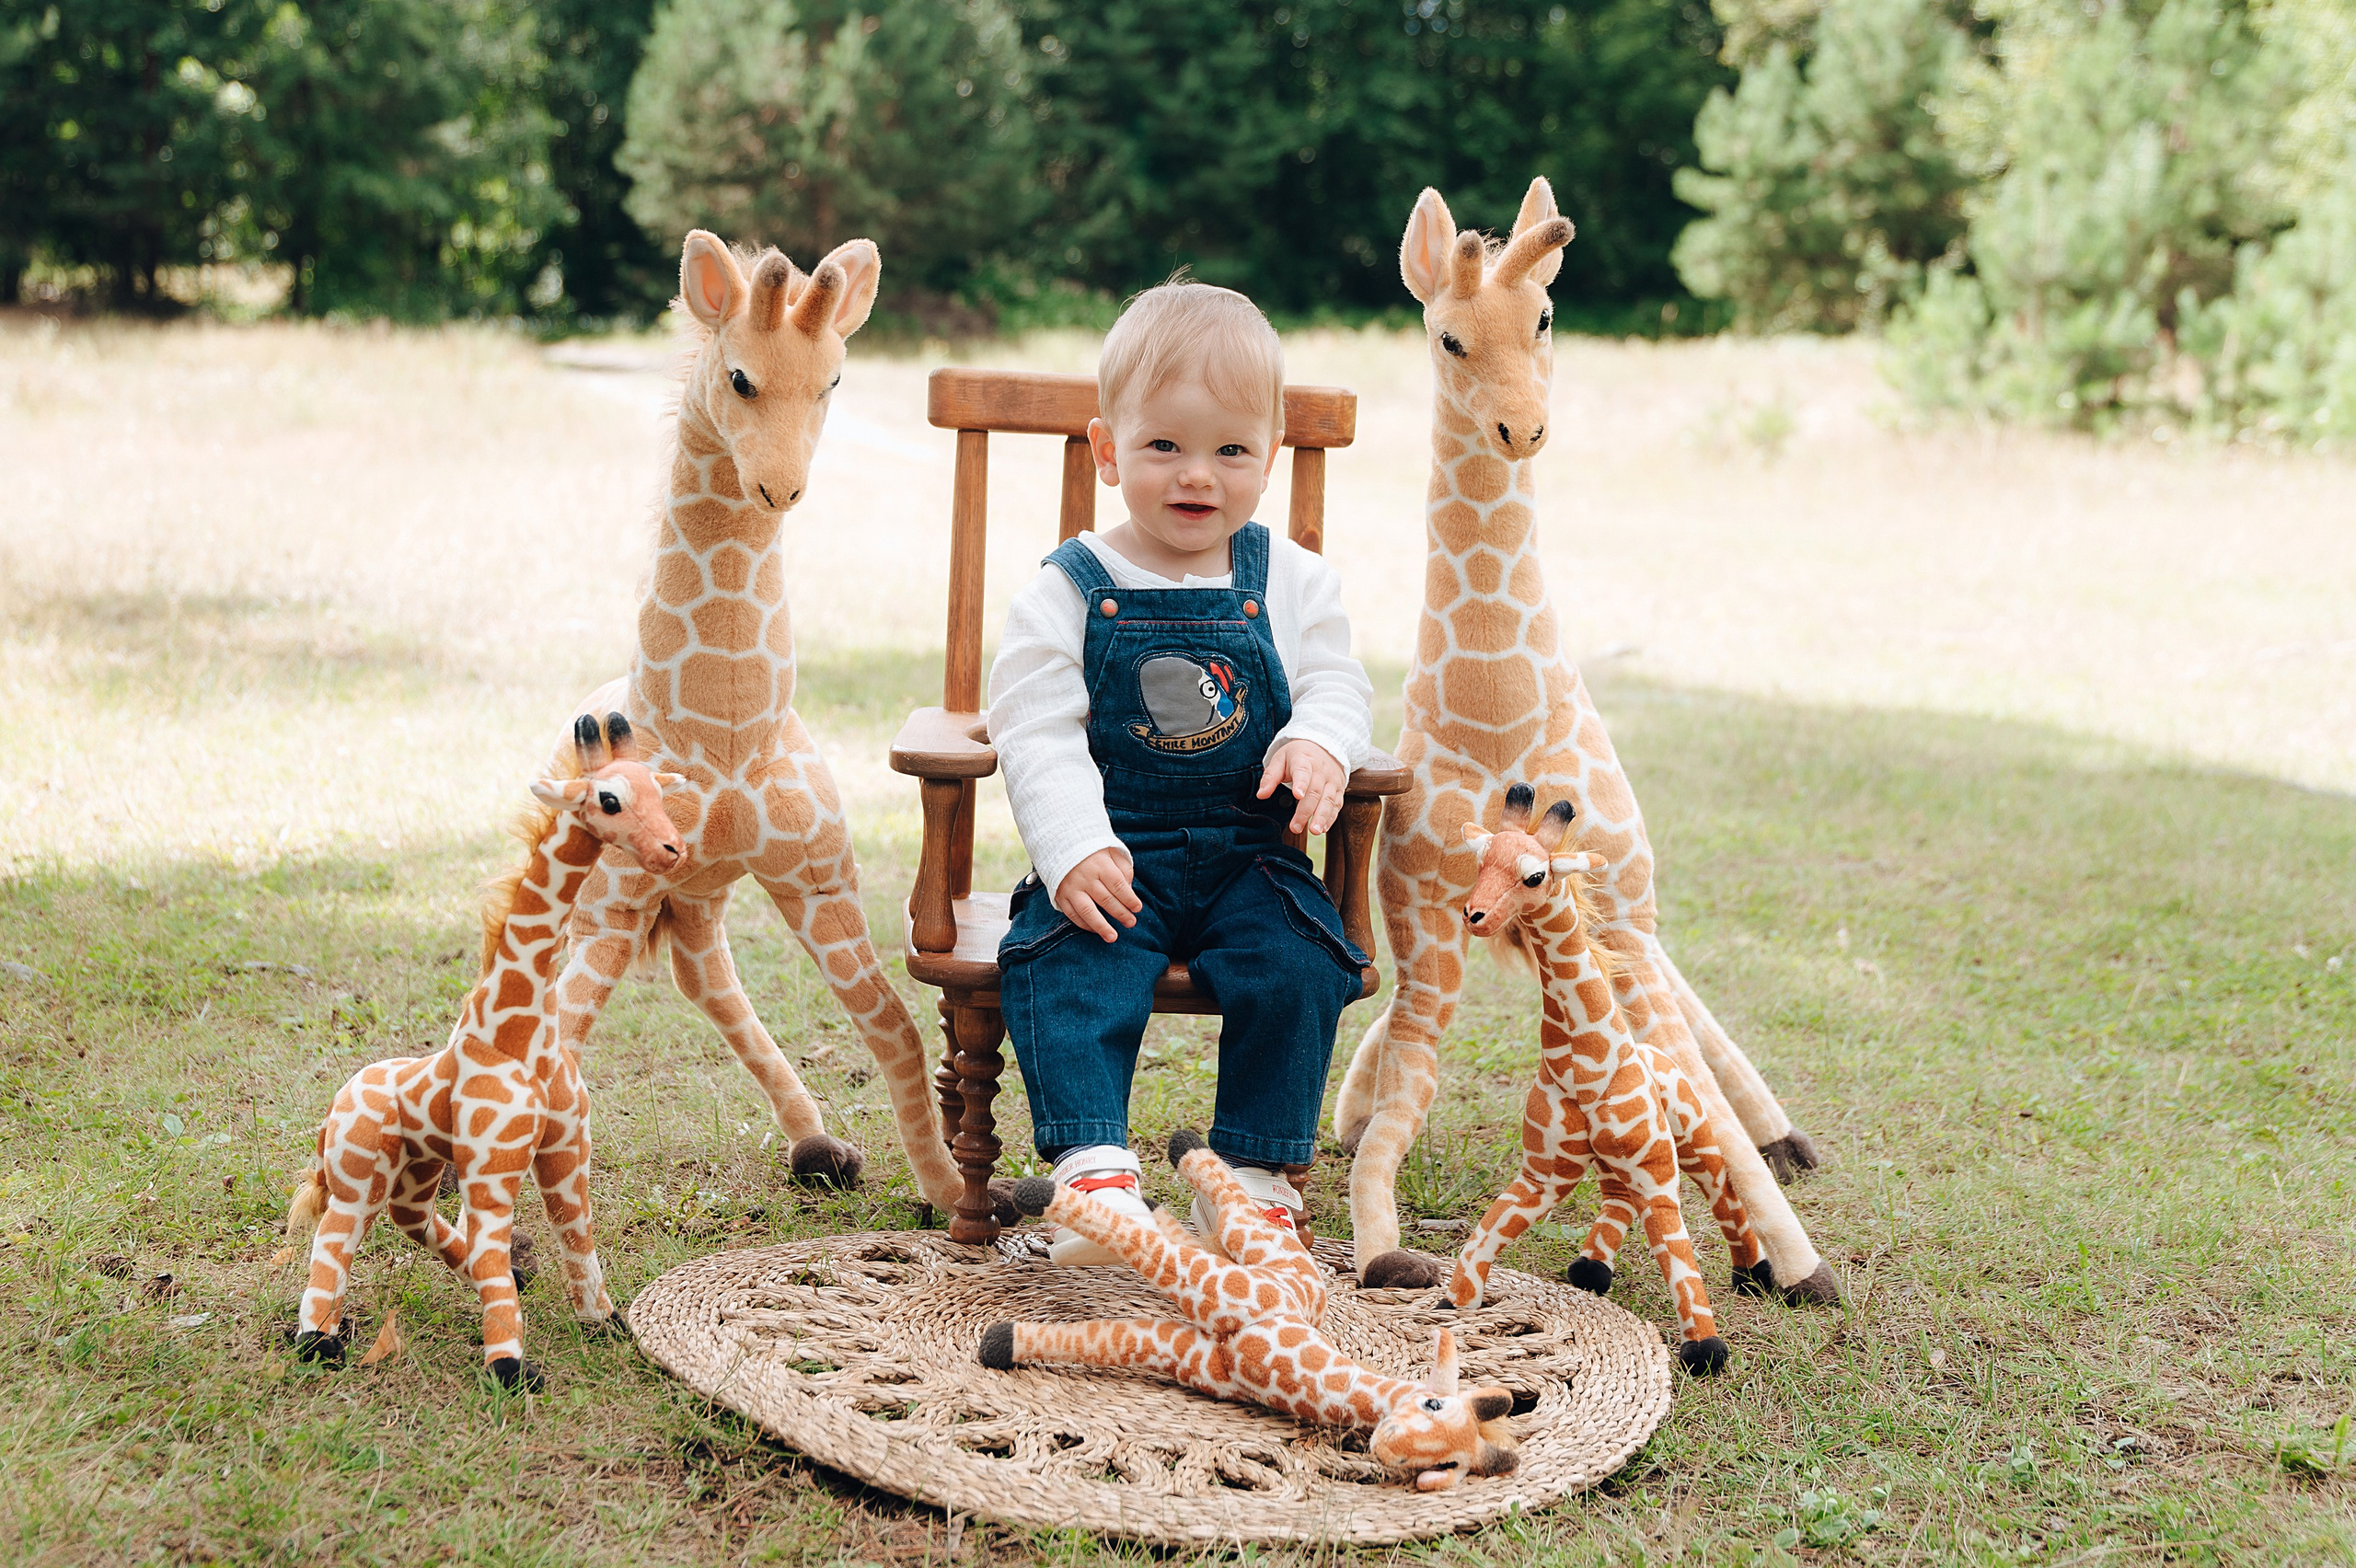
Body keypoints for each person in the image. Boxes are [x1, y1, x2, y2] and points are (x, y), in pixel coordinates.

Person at [987, 279, 1376, 1264]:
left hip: (1253, 853)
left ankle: (1249, 1184)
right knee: (1067, 960)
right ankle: (1096, 1176)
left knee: (1299, 961)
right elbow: (1033, 728)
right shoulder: (1070, 587)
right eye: (1163, 445)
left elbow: (1337, 679)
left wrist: (1318, 741)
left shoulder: (1288, 577)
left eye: (1231, 450)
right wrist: (1074, 848)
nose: (1196, 475)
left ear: (1269, 456)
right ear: (1108, 450)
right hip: (1120, 853)